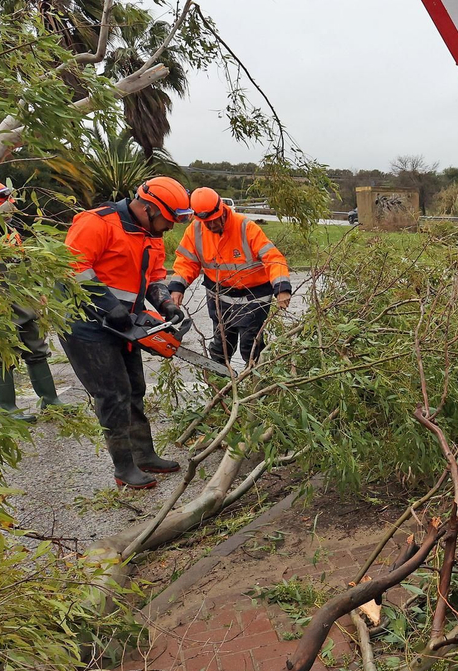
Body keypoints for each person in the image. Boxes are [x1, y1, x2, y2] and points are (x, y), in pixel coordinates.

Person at [62, 176, 191, 489]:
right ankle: (123, 467)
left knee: (134, 389)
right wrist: (108, 305)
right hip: (87, 325)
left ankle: (143, 455)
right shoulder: (97, 223)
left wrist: (165, 305)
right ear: (148, 208)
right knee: (112, 395)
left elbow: (155, 277)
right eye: (167, 219)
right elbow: (72, 267)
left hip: (123, 326)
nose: (170, 227)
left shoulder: (150, 234)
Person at [165, 187, 291, 369]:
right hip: (220, 297)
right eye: (207, 223)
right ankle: (220, 386)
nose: (212, 225)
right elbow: (186, 261)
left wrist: (282, 288)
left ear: (222, 210)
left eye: (215, 221)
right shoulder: (196, 230)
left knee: (250, 345)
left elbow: (273, 258)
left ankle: (259, 386)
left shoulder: (245, 227)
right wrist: (177, 286)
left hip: (253, 298)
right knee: (221, 347)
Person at [0, 179, 64, 420]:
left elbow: (25, 265)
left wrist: (39, 292)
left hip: (24, 302)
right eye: (2, 202)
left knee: (36, 349)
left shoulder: (12, 233)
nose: (9, 207)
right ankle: (8, 408)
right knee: (3, 354)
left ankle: (50, 401)